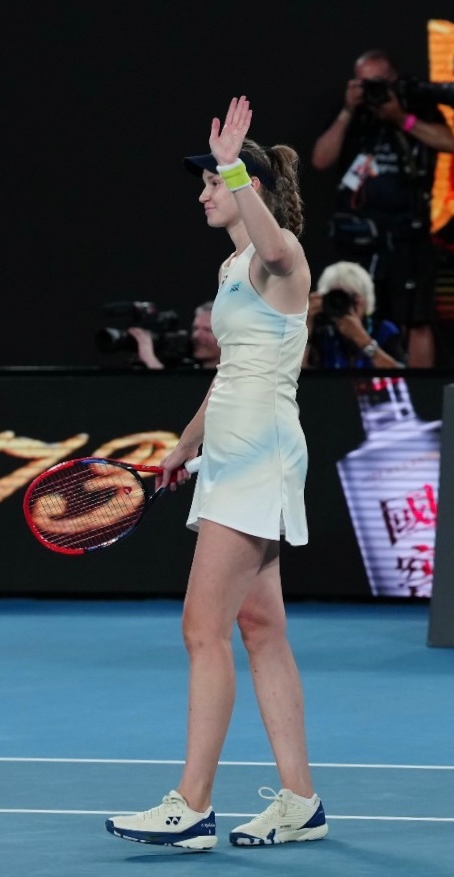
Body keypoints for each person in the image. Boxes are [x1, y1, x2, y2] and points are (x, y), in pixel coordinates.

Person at [106, 97, 326, 851]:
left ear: (247, 186)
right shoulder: (231, 268)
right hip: (231, 452)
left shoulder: (280, 258)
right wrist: (183, 445)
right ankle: (300, 800)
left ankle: (191, 804)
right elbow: (230, 373)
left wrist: (232, 166)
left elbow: (277, 249)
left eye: (214, 183)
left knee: (203, 629)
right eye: (205, 182)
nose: (202, 195)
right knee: (260, 629)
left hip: (260, 455)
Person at [311, 49, 454, 369]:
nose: (371, 90)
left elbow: (448, 142)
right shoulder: (352, 115)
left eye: (377, 82)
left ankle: (419, 390)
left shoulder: (417, 107)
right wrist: (348, 110)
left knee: (415, 318)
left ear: (393, 79)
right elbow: (321, 159)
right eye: (364, 83)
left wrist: (400, 118)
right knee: (354, 311)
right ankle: (353, 382)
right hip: (360, 237)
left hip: (408, 235)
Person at [305, 261, 406, 369]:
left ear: (366, 299)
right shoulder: (321, 330)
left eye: (353, 297)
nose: (345, 304)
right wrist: (306, 323)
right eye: (337, 297)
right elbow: (296, 373)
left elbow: (402, 376)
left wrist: (364, 340)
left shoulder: (384, 330)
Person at [130, 301, 221, 369]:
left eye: (207, 330)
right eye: (195, 329)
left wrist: (150, 360)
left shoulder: (228, 378)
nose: (197, 336)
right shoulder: (188, 369)